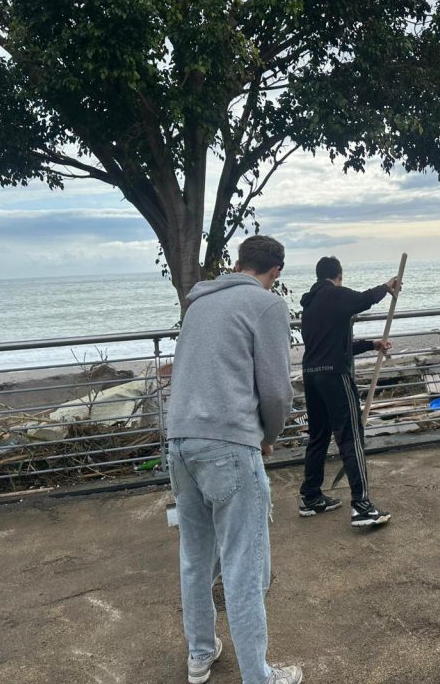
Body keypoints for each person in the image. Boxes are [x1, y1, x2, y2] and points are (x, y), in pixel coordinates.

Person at [166, 235, 302, 684]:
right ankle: (259, 676)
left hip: (180, 442)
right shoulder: (267, 305)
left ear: (240, 263)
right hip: (229, 443)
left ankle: (200, 654)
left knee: (195, 558)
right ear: (275, 272)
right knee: (244, 564)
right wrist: (269, 436)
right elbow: (277, 390)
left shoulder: (199, 304)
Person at [298, 256, 401, 526]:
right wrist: (386, 287)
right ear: (339, 276)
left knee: (319, 436)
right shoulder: (334, 294)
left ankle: (310, 496)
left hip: (312, 376)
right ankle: (362, 507)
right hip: (334, 376)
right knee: (350, 436)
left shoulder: (310, 305)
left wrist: (372, 344)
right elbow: (363, 300)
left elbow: (337, 346)